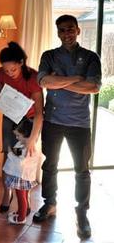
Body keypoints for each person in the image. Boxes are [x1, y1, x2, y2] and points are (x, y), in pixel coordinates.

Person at [33, 15, 101, 239]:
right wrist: (75, 79)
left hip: (80, 123)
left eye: (70, 29)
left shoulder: (91, 57)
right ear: (58, 33)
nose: (66, 34)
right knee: (50, 166)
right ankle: (49, 203)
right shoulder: (49, 56)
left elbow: (93, 87)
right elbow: (44, 82)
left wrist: (59, 81)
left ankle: (82, 214)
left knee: (81, 170)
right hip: (53, 121)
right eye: (62, 30)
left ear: (78, 31)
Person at [0, 41, 43, 213]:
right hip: (9, 118)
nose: (10, 73)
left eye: (13, 70)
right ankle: (6, 194)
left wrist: (32, 139)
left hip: (29, 122)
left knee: (24, 160)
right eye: (6, 70)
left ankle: (25, 197)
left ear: (21, 63)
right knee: (8, 156)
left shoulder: (33, 78)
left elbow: (39, 113)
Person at [3, 119, 41, 224]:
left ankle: (21, 218)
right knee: (22, 196)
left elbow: (20, 159)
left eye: (18, 135)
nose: (16, 138)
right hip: (23, 176)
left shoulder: (27, 148)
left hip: (21, 177)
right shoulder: (23, 143)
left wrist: (10, 152)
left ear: (26, 134)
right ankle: (21, 212)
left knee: (21, 197)